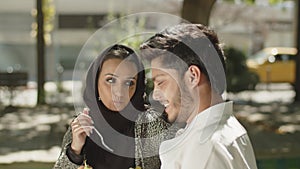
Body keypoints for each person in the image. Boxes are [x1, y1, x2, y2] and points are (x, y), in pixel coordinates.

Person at [140, 23, 258, 169]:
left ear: (193, 76)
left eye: (161, 82)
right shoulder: (229, 129)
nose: (156, 94)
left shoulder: (204, 149)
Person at [53, 44, 170, 169]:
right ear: (95, 82)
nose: (119, 92)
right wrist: (74, 151)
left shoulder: (153, 125)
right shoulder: (81, 126)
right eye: (111, 80)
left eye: (129, 83)